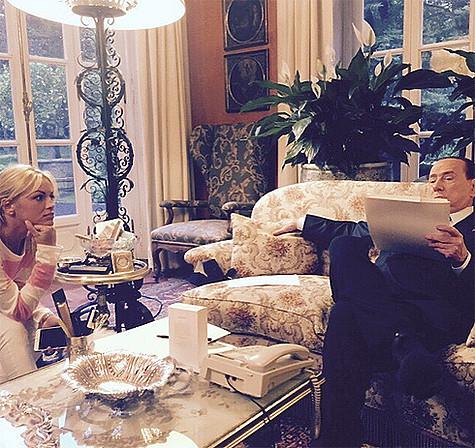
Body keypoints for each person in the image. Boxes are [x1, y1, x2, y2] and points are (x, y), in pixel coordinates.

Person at [273, 157, 474, 447]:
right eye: (432, 179)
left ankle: (336, 440)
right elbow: (351, 231)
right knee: (344, 246)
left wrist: (463, 259)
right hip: (383, 301)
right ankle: (403, 343)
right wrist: (299, 222)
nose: (437, 185)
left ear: (472, 187)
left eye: (448, 177)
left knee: (345, 315)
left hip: (429, 314)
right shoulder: (412, 216)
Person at [0, 164, 63, 383]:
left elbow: (20, 290)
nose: (50, 205)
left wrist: (43, 315)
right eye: (39, 198)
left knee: (40, 325)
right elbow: (18, 310)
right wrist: (48, 252)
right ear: (9, 206)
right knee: (14, 329)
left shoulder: (29, 237)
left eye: (51, 197)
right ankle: (29, 393)